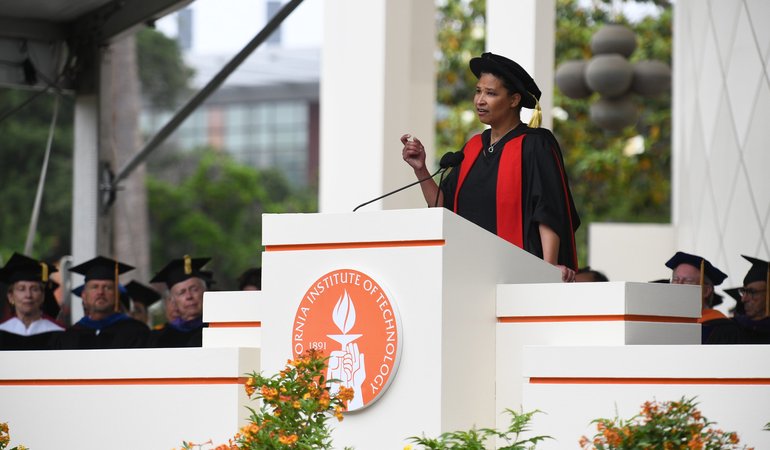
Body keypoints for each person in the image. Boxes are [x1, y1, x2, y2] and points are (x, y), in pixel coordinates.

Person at [401, 52, 580, 282]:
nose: (480, 100)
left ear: (514, 100)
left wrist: (548, 268)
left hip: (518, 274)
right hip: (469, 272)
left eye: (491, 93)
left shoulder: (535, 144)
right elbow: (442, 204)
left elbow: (548, 210)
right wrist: (420, 169)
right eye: (478, 91)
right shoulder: (474, 147)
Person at [53, 256, 149, 349]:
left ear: (117, 295)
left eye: (107, 287)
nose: (100, 292)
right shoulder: (71, 335)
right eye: (94, 287)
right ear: (84, 295)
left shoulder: (136, 331)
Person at [0, 253, 64, 350]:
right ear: (10, 296)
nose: (28, 295)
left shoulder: (60, 333)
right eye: (21, 289)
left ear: (43, 296)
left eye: (34, 289)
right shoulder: (3, 331)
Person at [664, 251, 728, 344]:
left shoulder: (723, 329)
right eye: (675, 280)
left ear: (706, 291)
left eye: (688, 281)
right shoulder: (663, 324)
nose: (679, 285)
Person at [147, 256, 210, 347]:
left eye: (194, 289)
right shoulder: (158, 338)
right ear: (173, 301)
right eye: (181, 292)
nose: (189, 296)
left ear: (206, 292)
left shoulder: (218, 329)